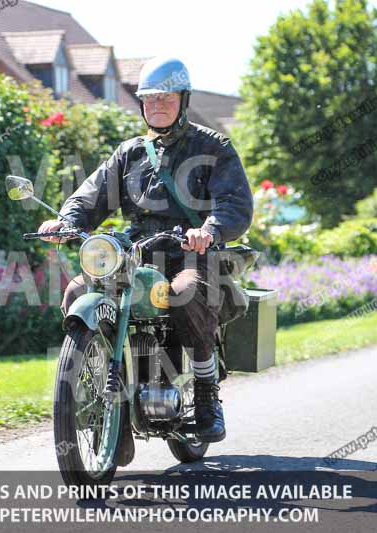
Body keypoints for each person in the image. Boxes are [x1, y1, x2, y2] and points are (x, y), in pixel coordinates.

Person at [37, 57, 253, 455]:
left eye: (165, 98)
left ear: (183, 100)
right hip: (134, 254)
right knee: (75, 293)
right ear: (140, 104)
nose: (156, 105)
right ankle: (109, 410)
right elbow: (91, 194)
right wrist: (66, 220)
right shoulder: (130, 153)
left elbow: (235, 205)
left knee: (186, 292)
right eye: (149, 99)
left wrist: (209, 230)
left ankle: (206, 393)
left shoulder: (213, 146)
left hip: (190, 254)